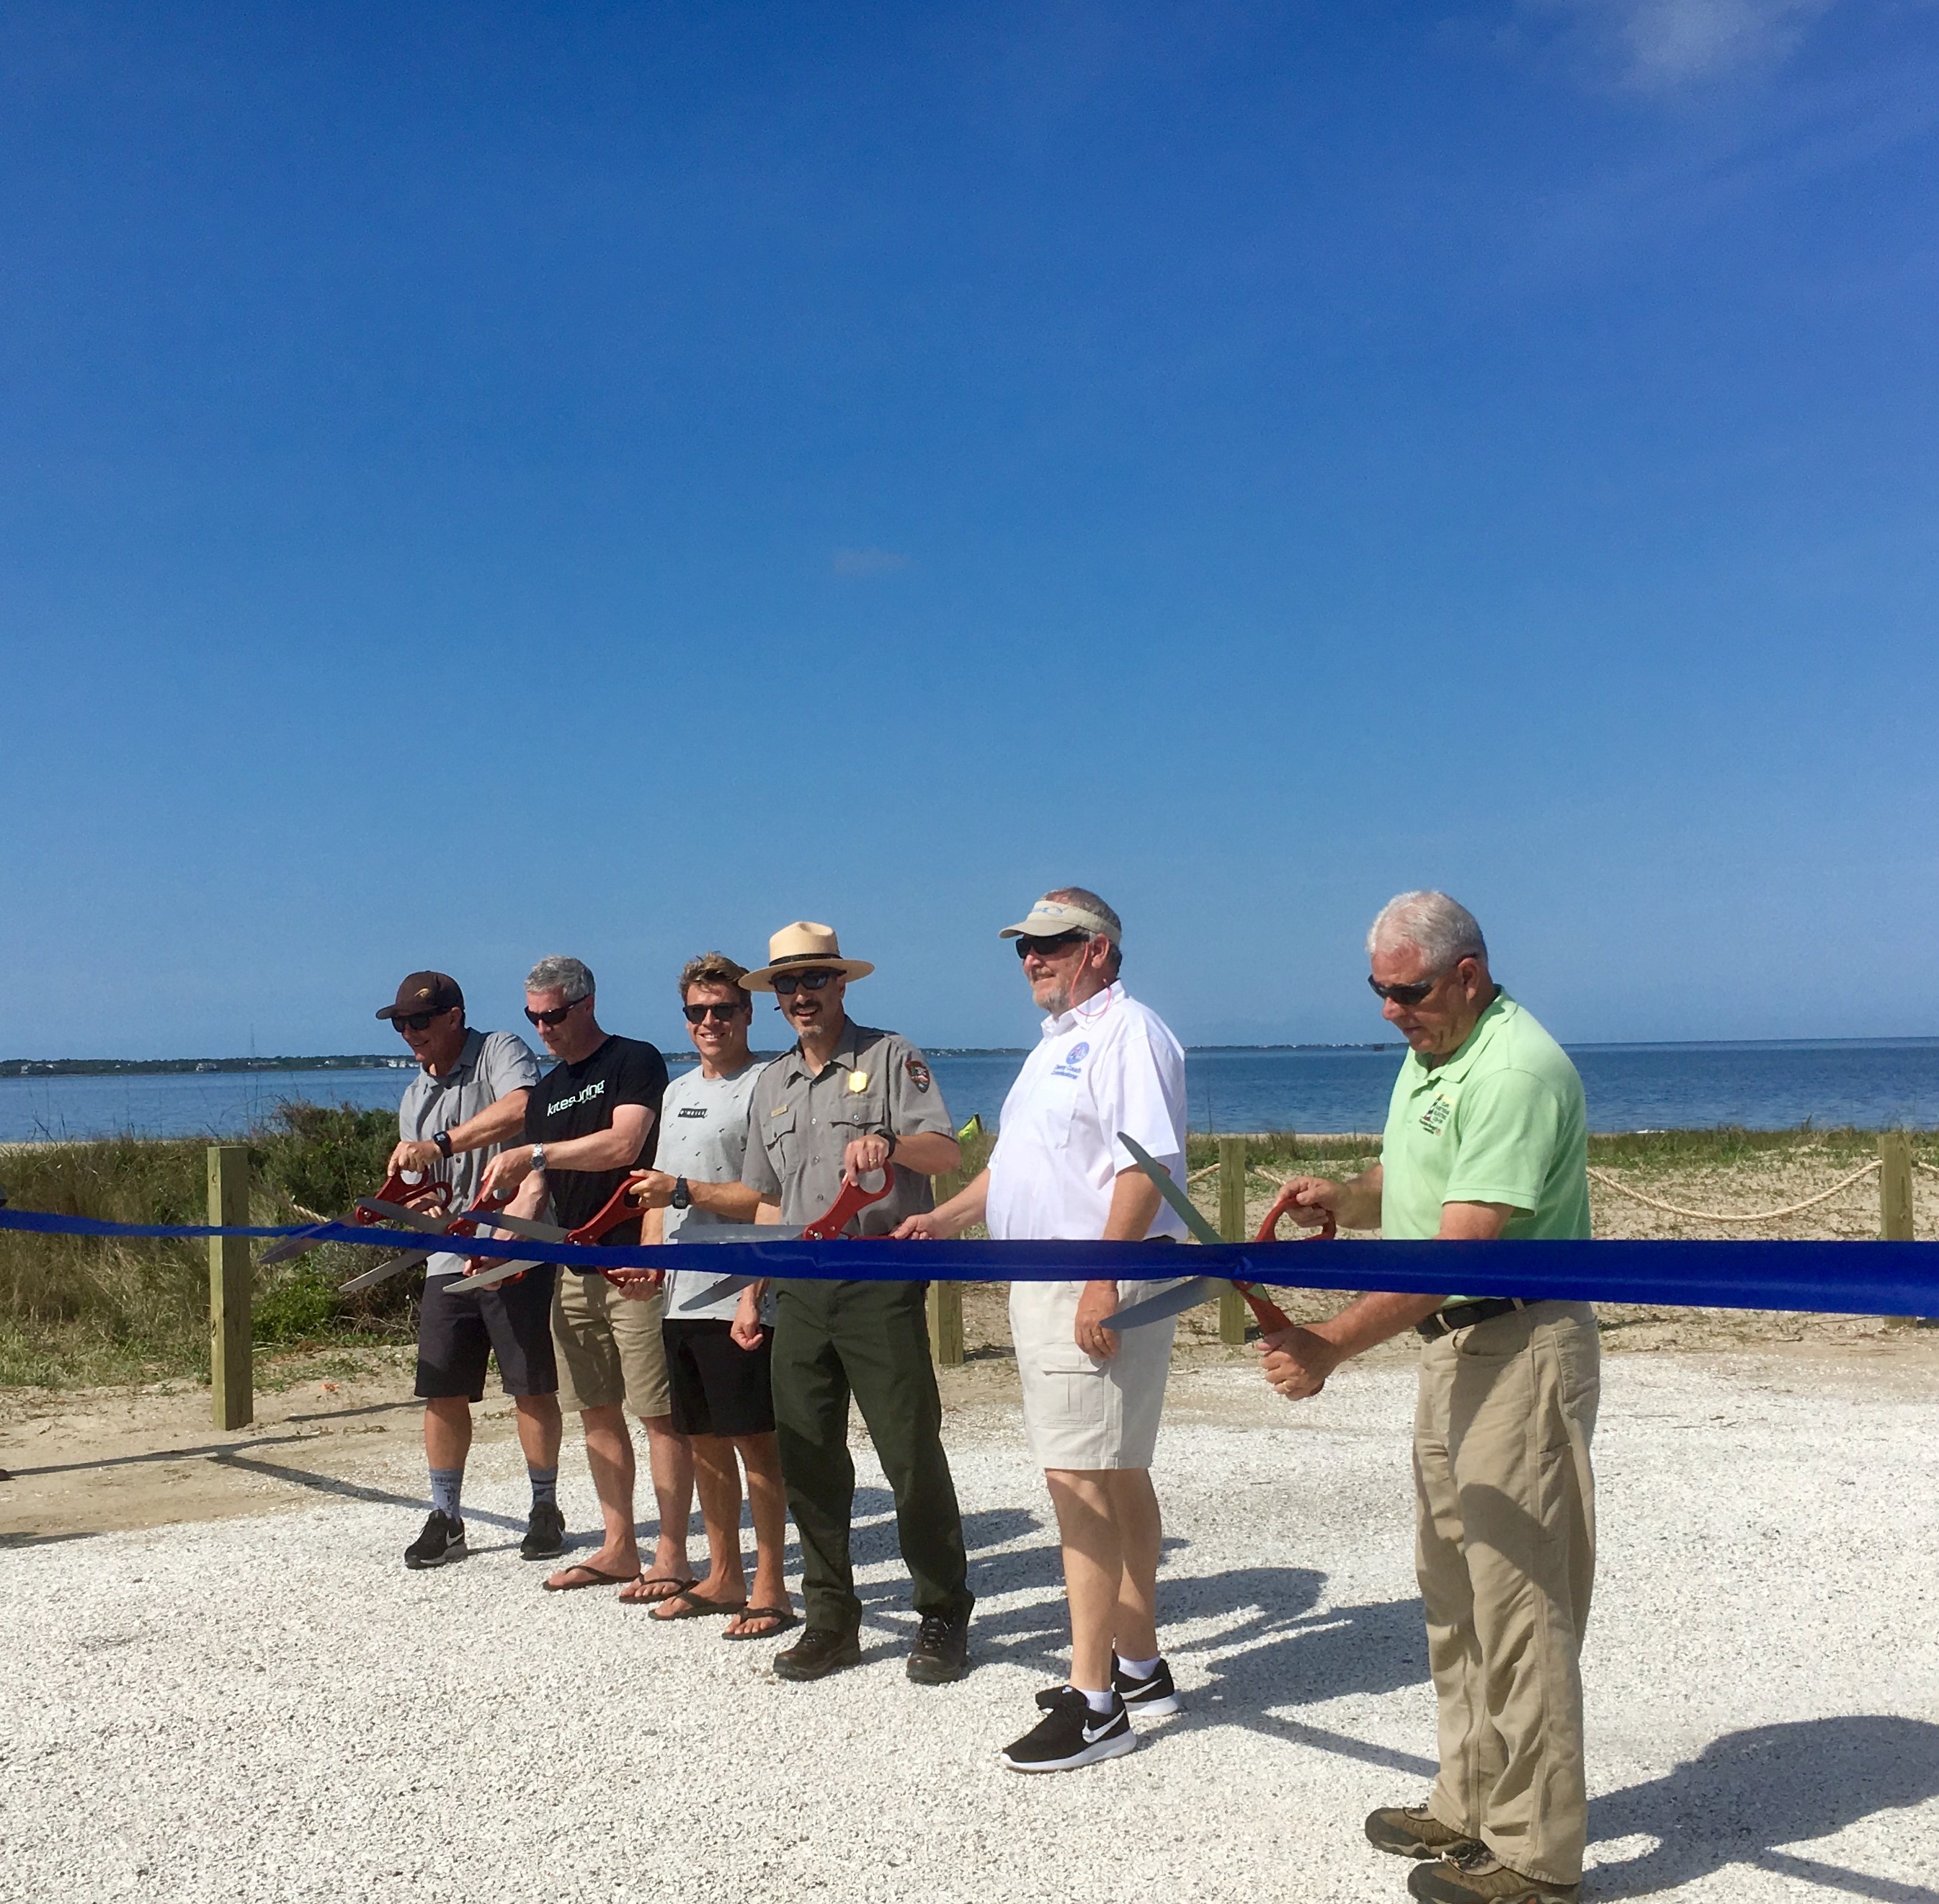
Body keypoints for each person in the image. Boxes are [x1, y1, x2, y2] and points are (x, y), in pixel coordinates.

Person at [1257, 892, 1597, 1904]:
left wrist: (1322, 1345)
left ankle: (1534, 1853)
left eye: (1404, 990)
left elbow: (1460, 1247)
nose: (1387, 1010)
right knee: (1452, 1591)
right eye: (1376, 990)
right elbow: (1417, 1178)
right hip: (1450, 1349)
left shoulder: (1515, 1067)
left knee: (1520, 1600)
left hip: (1518, 1341)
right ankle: (1470, 1798)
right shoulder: (1436, 1053)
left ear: (1465, 973)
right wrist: (1349, 1196)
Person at [897, 889, 1190, 1771]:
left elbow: (1147, 1166)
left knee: (1080, 1481)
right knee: (1116, 1469)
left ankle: (1094, 1700)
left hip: (1088, 1283)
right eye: (1024, 944)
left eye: (1052, 942)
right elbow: (1027, 1164)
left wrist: (1099, 1279)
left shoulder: (1130, 1032)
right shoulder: (1057, 1045)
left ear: (1100, 948)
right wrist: (944, 1219)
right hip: (1054, 1280)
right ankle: (1137, 1662)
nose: (1032, 956)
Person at [736, 921, 972, 1683]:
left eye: (814, 980)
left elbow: (946, 1150)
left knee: (908, 1452)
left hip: (878, 1279)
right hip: (800, 1288)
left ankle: (942, 1611)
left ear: (842, 983)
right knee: (807, 1457)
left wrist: (890, 1146)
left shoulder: (890, 1055)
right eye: (786, 985)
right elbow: (767, 1201)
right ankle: (831, 1618)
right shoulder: (771, 1083)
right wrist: (752, 1291)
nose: (801, 996)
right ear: (774, 997)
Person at [480, 956, 693, 1600]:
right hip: (575, 1272)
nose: (543, 1028)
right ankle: (619, 1545)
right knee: (594, 1409)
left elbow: (623, 1145)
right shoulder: (544, 1094)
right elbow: (536, 1191)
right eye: (532, 1018)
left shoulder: (634, 1060)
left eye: (553, 1015)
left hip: (636, 1264)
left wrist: (532, 1152)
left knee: (658, 1411)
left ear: (585, 1003)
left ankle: (674, 1555)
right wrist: (495, 1246)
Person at [622, 952, 796, 1640]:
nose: (711, 1022)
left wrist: (755, 1289)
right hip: (682, 1294)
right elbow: (656, 1186)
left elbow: (770, 1197)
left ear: (748, 1012)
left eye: (724, 1009)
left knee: (755, 1442)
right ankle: (722, 1574)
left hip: (742, 1291)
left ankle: (772, 1586)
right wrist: (647, 1259)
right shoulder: (676, 1090)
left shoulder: (770, 1083)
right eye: (698, 1011)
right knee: (701, 1440)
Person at [380, 971, 557, 1571]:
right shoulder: (412, 1096)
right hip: (448, 1256)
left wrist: (441, 1145)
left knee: (529, 1384)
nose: (410, 1034)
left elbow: (522, 1108)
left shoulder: (499, 1050)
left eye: (419, 1022)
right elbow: (415, 1184)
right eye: (401, 1023)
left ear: (453, 1016)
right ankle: (446, 1515)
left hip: (514, 1245)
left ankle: (544, 1508)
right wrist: (421, 1202)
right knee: (440, 1388)